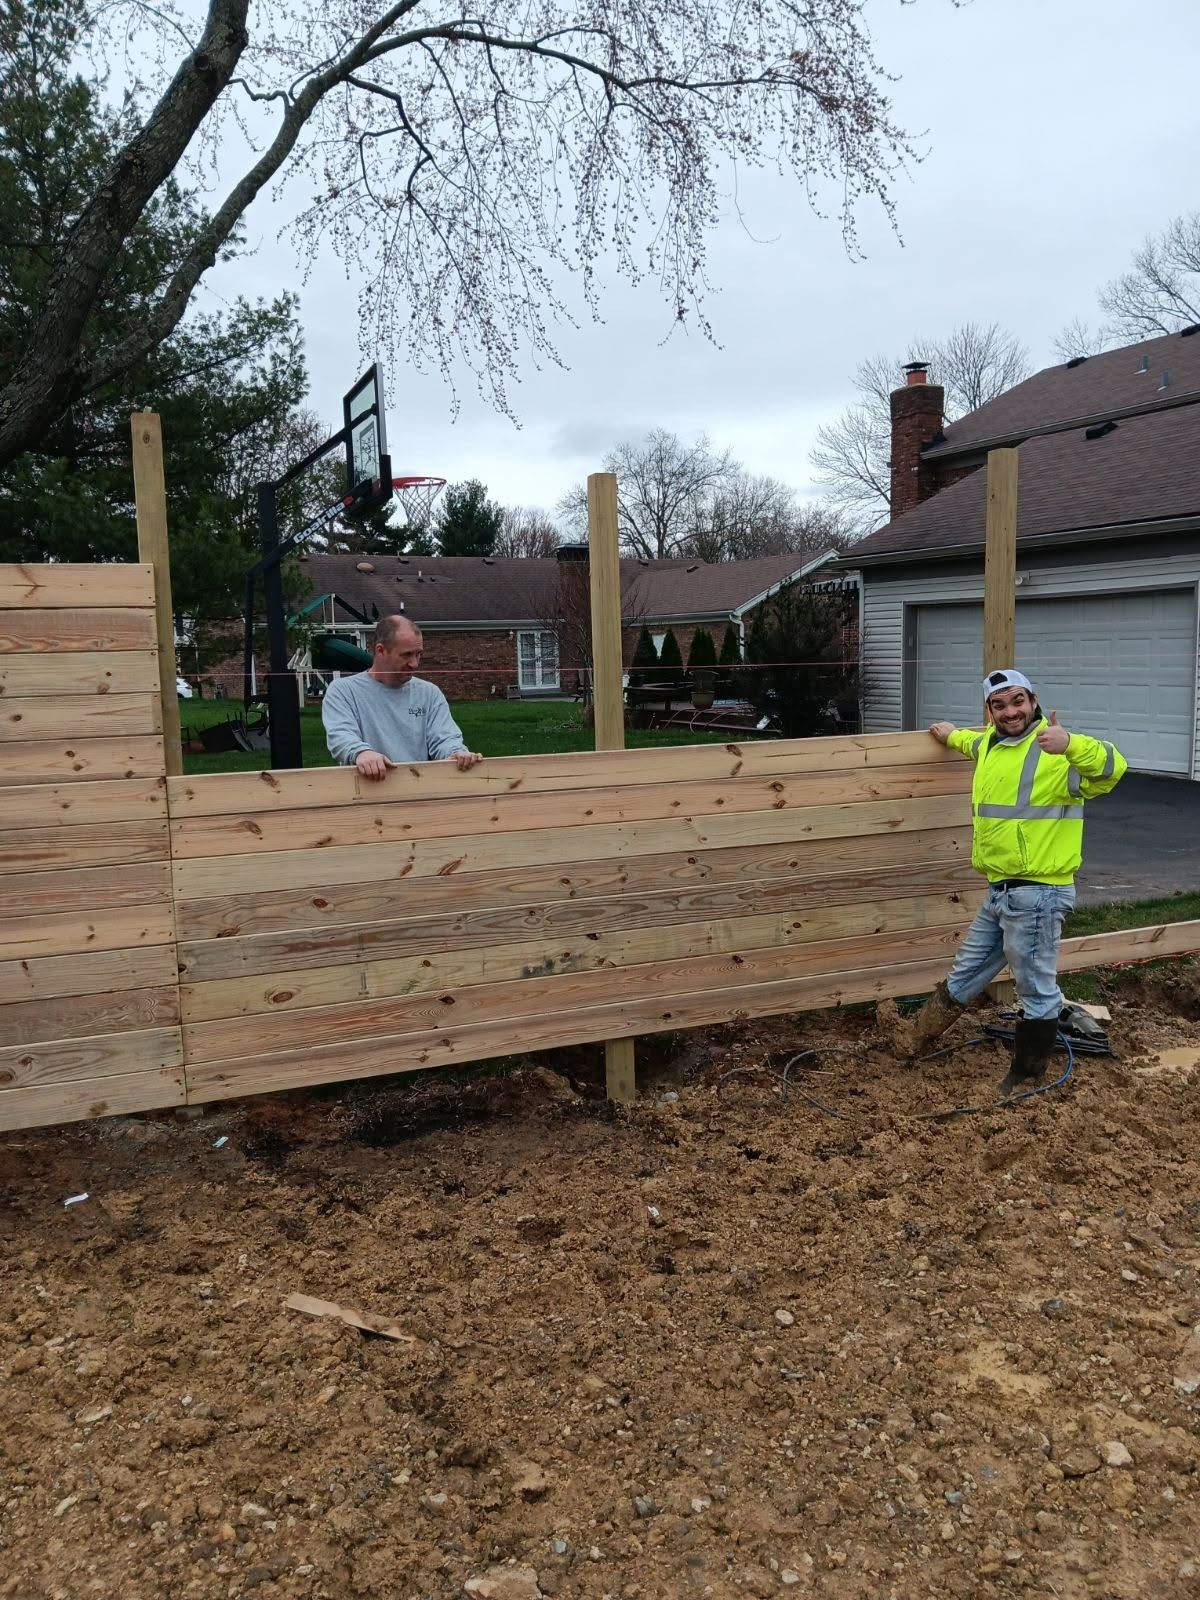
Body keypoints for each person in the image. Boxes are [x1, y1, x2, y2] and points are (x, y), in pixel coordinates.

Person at [878, 667, 1126, 1097]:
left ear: (1033, 701)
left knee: (1035, 988)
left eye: (1018, 702)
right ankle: (914, 1038)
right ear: (988, 711)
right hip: (1001, 892)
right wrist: (949, 734)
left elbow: (1112, 768)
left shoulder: (1055, 752)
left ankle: (1026, 1076)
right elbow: (969, 741)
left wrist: (1071, 744)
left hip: (1039, 894)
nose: (1011, 712)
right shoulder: (990, 745)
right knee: (968, 970)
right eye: (999, 705)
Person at [321, 614, 483, 777]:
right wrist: (361, 753)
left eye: (418, 654)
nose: (415, 663)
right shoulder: (343, 691)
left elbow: (445, 738)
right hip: (365, 792)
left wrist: (456, 753)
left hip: (419, 791)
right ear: (381, 651)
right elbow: (341, 736)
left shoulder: (429, 693)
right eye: (406, 655)